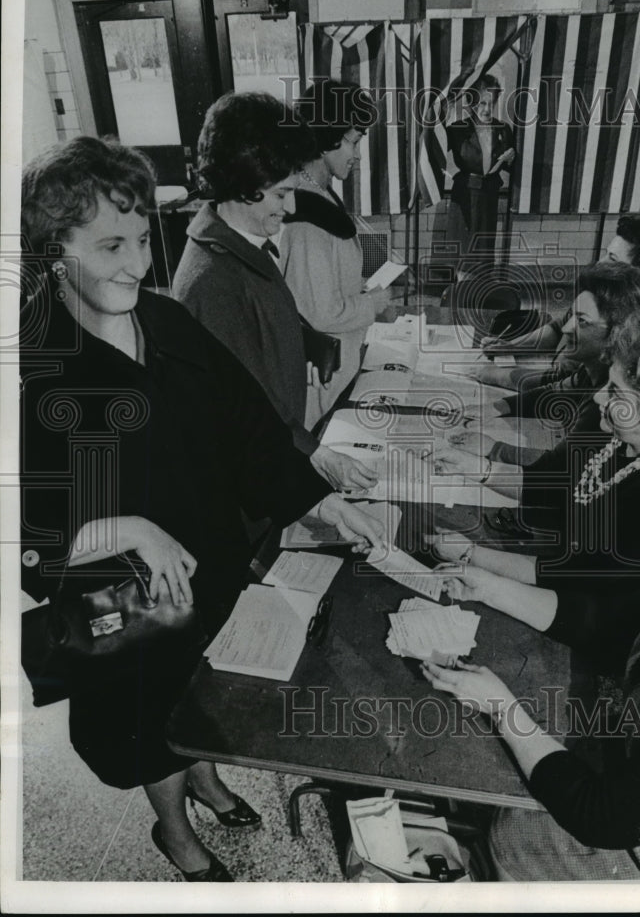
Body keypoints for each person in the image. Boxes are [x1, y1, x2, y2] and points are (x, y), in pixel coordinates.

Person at [19, 136, 384, 882]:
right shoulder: (33, 368)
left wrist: (317, 501)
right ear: (56, 250)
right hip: (123, 595)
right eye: (108, 245)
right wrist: (127, 528)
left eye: (140, 240)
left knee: (204, 694)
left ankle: (208, 778)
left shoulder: (168, 322)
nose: (136, 264)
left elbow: (248, 427)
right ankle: (173, 828)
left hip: (208, 560)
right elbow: (25, 531)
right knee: (151, 721)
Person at [422, 471, 640, 880]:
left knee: (512, 835)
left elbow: (601, 817)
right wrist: (487, 587)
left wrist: (502, 708)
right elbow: (601, 624)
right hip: (639, 766)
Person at [428, 303, 640, 598]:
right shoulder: (616, 433)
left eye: (616, 391)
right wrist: (471, 467)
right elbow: (554, 486)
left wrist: (471, 554)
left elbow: (577, 576)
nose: (598, 396)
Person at [172, 92, 375, 496]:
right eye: (281, 194)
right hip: (254, 488)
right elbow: (244, 411)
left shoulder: (241, 243)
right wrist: (317, 456)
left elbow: (257, 327)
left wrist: (302, 340)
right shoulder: (211, 279)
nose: (289, 206)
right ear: (244, 184)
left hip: (279, 454)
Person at [449, 262, 640, 467]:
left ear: (619, 333)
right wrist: (499, 407)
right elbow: (555, 393)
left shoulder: (611, 396)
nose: (566, 328)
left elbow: (562, 465)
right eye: (571, 316)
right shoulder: (593, 368)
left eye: (582, 321)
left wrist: (493, 449)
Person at [279, 78, 393, 427]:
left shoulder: (321, 193)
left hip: (340, 370)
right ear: (328, 136)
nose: (357, 155)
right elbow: (320, 313)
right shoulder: (305, 216)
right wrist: (376, 302)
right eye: (353, 142)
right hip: (320, 391)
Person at [478, 213, 640, 367]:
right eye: (606, 254)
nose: (599, 263)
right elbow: (560, 327)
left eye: (612, 259)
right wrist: (512, 346)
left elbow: (569, 380)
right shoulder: (616, 291)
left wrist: (499, 376)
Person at [444, 73, 515, 275]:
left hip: (488, 198)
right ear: (471, 102)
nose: (486, 109)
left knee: (483, 253)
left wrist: (511, 159)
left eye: (490, 104)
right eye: (481, 103)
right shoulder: (457, 129)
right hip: (465, 195)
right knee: (464, 253)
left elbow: (511, 167)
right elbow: (435, 152)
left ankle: (479, 294)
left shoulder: (503, 129)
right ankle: (460, 292)